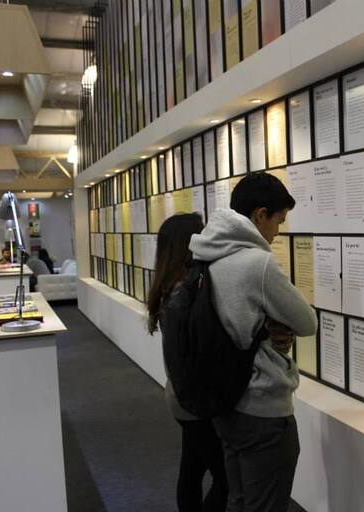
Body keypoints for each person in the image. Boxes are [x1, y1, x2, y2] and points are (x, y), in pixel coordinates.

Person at [189, 173, 318, 512]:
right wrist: (275, 324)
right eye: (279, 221)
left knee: (239, 498)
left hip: (223, 397)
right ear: (261, 215)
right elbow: (307, 322)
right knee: (265, 503)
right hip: (261, 405)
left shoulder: (206, 254)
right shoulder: (257, 264)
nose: (277, 232)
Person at [146, 212, 228, 512]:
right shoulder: (185, 293)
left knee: (192, 468)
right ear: (188, 244)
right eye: (202, 234)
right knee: (227, 479)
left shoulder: (171, 287)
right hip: (193, 398)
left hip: (182, 395)